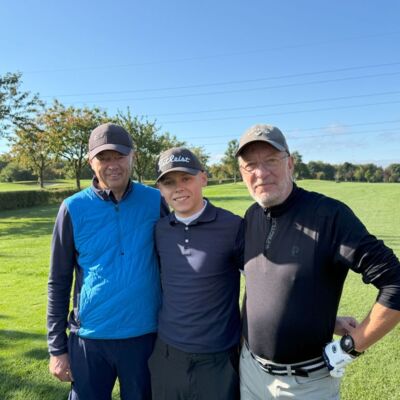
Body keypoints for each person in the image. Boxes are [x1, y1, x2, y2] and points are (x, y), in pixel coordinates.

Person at [236, 124, 400, 399]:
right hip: (251, 373)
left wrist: (351, 346)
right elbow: (259, 286)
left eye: (271, 161)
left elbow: (395, 282)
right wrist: (323, 320)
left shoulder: (329, 216)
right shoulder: (252, 216)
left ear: (290, 163)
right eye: (250, 165)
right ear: (242, 173)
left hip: (306, 385)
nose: (261, 173)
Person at [47, 122, 168, 400]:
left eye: (119, 156)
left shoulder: (155, 200)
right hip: (90, 338)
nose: (113, 165)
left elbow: (171, 265)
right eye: (103, 158)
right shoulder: (72, 208)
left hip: (144, 336)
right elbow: (58, 281)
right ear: (91, 162)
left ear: (133, 157)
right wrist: (57, 348)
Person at [148, 147, 243, 400]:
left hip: (218, 358)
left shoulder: (233, 226)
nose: (178, 188)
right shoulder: (159, 230)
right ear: (160, 190)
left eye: (186, 178)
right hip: (168, 354)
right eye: (169, 182)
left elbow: (262, 283)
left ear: (203, 178)